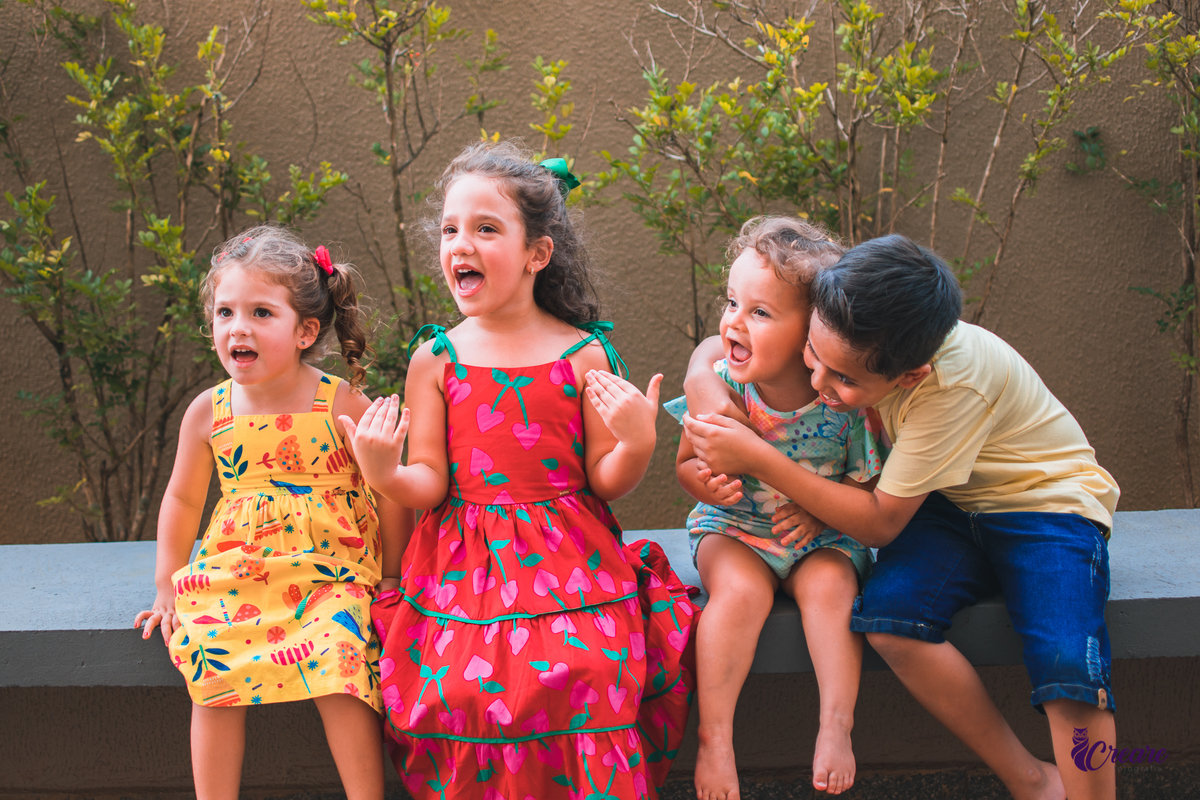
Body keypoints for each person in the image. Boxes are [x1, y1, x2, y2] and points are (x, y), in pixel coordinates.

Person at [682, 234, 1120, 800]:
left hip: (1044, 506)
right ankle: (1031, 780)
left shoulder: (950, 386)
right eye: (814, 356)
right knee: (891, 622)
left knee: (1069, 669)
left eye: (842, 379)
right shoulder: (861, 320)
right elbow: (727, 341)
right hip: (947, 502)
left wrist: (759, 456)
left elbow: (880, 522)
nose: (819, 384)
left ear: (910, 375)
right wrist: (700, 374)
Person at [342, 140, 699, 800]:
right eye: (451, 229)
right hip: (464, 567)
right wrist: (385, 474)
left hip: (570, 562)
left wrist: (637, 443)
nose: (461, 244)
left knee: (585, 669)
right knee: (457, 685)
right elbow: (431, 480)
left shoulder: (584, 356)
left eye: (486, 228)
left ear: (538, 253)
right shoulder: (437, 359)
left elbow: (605, 479)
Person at [134, 226, 409, 800]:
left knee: (340, 662)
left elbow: (388, 489)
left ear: (306, 330)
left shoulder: (338, 403)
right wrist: (167, 583)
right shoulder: (207, 411)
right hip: (242, 567)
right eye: (226, 313)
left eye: (261, 312)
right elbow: (183, 498)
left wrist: (393, 576)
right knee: (210, 666)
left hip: (330, 572)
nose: (239, 327)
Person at [663, 217, 882, 799]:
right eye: (733, 301)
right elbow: (686, 465)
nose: (734, 320)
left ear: (813, 333)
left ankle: (836, 724)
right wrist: (706, 486)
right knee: (738, 594)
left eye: (760, 312)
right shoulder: (723, 387)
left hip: (820, 536)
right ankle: (716, 739)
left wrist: (823, 517)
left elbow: (866, 488)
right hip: (735, 528)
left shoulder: (843, 401)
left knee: (832, 587)